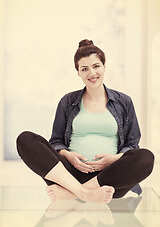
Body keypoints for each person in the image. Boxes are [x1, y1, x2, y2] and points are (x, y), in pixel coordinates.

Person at [16, 39, 154, 204]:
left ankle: (73, 194)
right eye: (84, 69)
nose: (92, 73)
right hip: (68, 175)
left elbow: (132, 144)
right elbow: (56, 141)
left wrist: (113, 159)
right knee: (25, 139)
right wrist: (68, 155)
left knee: (146, 157)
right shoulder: (67, 101)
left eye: (96, 66)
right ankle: (84, 192)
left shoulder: (124, 102)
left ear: (104, 66)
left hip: (109, 178)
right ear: (78, 72)